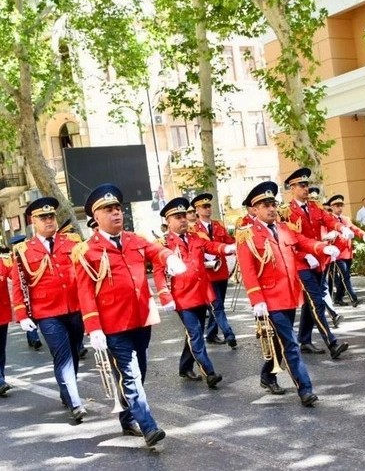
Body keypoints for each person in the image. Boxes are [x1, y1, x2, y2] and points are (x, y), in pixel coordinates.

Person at [73, 183, 187, 447]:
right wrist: (94, 327)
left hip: (141, 318)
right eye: (108, 210)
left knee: (140, 371)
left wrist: (169, 258)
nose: (116, 213)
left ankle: (127, 417)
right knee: (131, 374)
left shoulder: (135, 240)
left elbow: (155, 251)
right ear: (96, 217)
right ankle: (148, 426)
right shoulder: (86, 250)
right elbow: (85, 292)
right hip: (112, 325)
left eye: (117, 208)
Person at [236, 181, 340, 406]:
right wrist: (256, 300)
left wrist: (322, 248)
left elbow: (303, 242)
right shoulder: (247, 234)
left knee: (279, 343)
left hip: (290, 295)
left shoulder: (284, 228)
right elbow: (248, 270)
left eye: (273, 203)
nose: (272, 208)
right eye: (265, 205)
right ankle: (305, 389)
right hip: (269, 300)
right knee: (291, 344)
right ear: (254, 210)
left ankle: (267, 374)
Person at [12, 197, 86, 421]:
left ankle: (67, 391)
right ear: (32, 221)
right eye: (43, 217)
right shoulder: (23, 249)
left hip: (75, 307)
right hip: (47, 312)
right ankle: (75, 401)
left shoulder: (72, 241)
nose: (49, 221)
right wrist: (23, 315)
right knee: (62, 355)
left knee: (73, 353)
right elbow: (19, 284)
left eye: (51, 216)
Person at [156, 197, 236, 388]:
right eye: (177, 217)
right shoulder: (164, 243)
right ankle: (209, 372)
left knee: (194, 333)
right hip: (182, 297)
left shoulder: (195, 237)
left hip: (201, 293)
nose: (183, 220)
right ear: (169, 221)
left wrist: (229, 248)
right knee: (195, 334)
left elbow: (212, 247)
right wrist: (165, 296)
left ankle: (185, 367)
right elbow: (159, 273)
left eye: (184, 215)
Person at [281, 168, 350, 359]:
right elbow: (293, 239)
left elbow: (329, 220)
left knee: (310, 304)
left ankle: (304, 340)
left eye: (306, 185)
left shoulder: (314, 207)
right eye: (301, 186)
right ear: (292, 188)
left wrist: (342, 228)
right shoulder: (287, 212)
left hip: (318, 261)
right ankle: (331, 343)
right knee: (317, 302)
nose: (305, 188)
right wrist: (306, 255)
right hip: (302, 263)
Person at [191, 193, 238, 349]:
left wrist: (238, 243)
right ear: (197, 209)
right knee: (217, 306)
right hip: (206, 272)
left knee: (217, 305)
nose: (208, 209)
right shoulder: (193, 229)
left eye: (209, 206)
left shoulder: (218, 225)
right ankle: (228, 333)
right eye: (204, 207)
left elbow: (228, 242)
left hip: (221, 270)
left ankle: (211, 333)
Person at [328, 195, 365, 306]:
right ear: (331, 207)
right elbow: (325, 234)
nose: (339, 208)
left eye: (341, 205)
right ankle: (353, 298)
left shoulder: (345, 219)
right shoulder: (328, 219)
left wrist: (363, 234)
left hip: (347, 252)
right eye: (337, 206)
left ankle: (338, 298)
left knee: (344, 275)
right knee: (345, 276)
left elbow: (354, 228)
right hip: (336, 253)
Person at [0, 243, 14, 396]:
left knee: (1, 350)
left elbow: (16, 275)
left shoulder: (4, 263)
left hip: (1, 316)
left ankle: (1, 379)